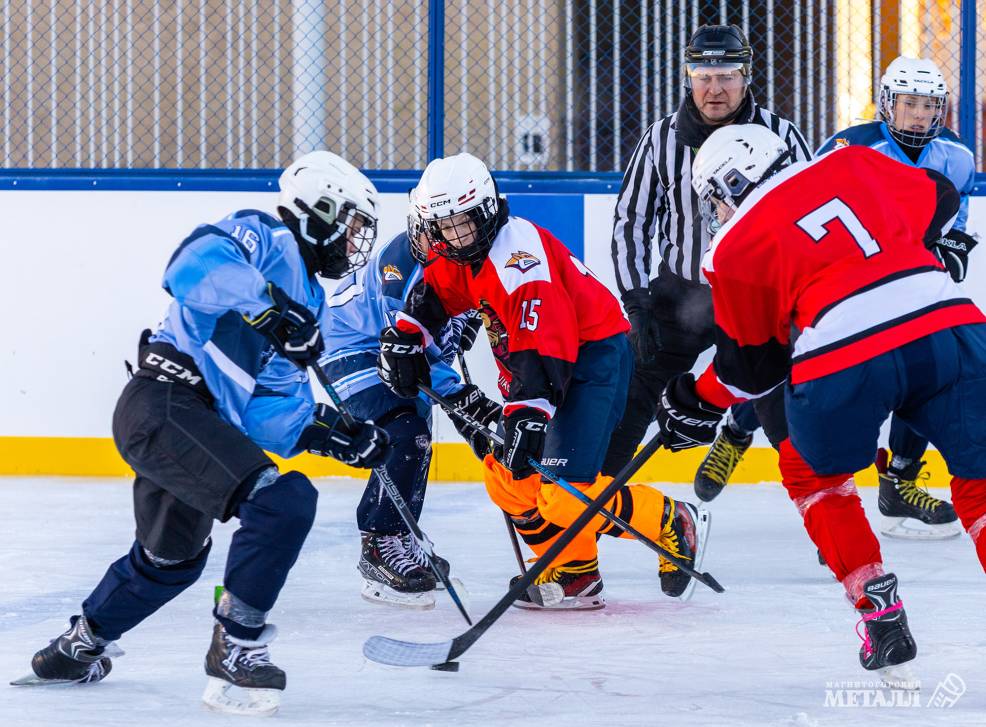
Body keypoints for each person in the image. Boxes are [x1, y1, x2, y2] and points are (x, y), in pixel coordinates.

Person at [15, 151, 390, 716]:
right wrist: (269, 309)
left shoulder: (310, 301)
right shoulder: (264, 235)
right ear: (321, 210)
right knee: (283, 502)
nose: (354, 243)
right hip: (164, 401)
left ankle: (76, 647)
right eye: (353, 226)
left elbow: (269, 411)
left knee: (171, 561)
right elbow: (190, 265)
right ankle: (238, 645)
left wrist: (331, 431)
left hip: (195, 424)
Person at [655, 123, 986, 680]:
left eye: (715, 194)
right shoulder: (854, 162)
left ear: (732, 182)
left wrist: (694, 397)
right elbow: (942, 195)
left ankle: (877, 607)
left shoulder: (732, 247)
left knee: (812, 474)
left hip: (846, 358)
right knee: (982, 482)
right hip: (950, 326)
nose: (715, 208)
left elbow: (752, 372)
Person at [375, 152, 710, 609]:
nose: (454, 237)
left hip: (591, 361)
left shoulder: (520, 257)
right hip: (539, 371)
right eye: (444, 226)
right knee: (508, 480)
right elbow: (433, 298)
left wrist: (528, 415)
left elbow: (543, 346)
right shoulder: (456, 255)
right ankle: (575, 574)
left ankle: (672, 520)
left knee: (562, 495)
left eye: (463, 224)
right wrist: (406, 337)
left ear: (488, 212)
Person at [603, 24, 813, 503]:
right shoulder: (661, 139)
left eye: (727, 75)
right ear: (687, 76)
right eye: (703, 74)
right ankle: (589, 509)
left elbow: (807, 215)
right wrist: (637, 304)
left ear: (747, 76)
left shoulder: (781, 136)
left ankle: (824, 508)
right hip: (681, 296)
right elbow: (630, 222)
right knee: (630, 394)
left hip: (760, 299)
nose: (714, 88)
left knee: (789, 408)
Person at [816, 56, 976, 539]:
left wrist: (954, 244)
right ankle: (743, 433)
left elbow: (958, 213)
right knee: (824, 379)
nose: (919, 115)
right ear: (887, 103)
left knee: (932, 370)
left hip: (911, 285)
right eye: (909, 104)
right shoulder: (847, 147)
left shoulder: (957, 156)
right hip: (849, 283)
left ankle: (900, 478)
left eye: (929, 106)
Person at [320, 215, 496, 609]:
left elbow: (453, 305)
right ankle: (379, 546)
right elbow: (408, 355)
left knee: (418, 439)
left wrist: (465, 317)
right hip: (350, 348)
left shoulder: (460, 254)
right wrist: (465, 402)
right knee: (404, 434)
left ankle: (402, 533)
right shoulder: (398, 272)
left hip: (386, 350)